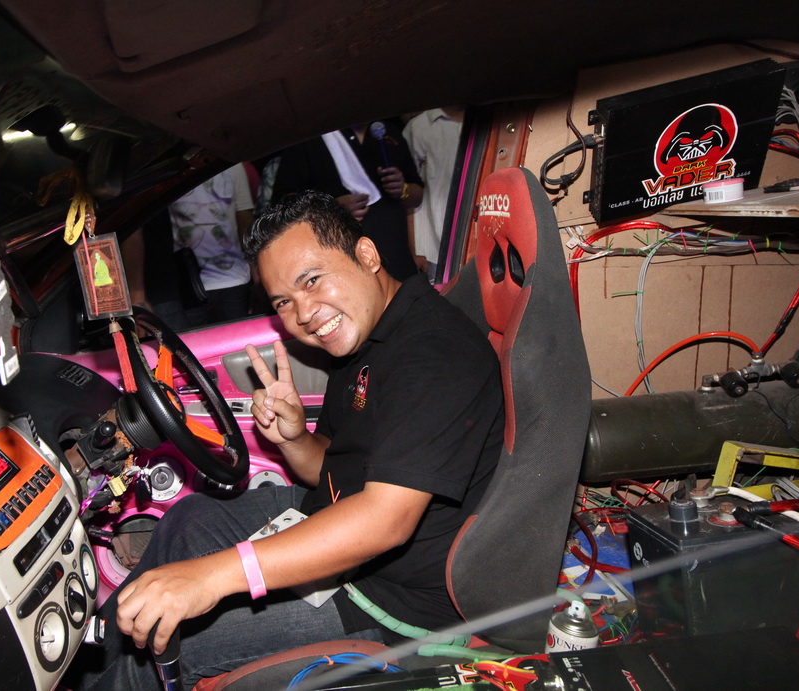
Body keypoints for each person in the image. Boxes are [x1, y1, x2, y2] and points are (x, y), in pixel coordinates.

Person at [66, 191, 502, 690]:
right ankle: (90, 665)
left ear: (366, 255)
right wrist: (294, 440)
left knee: (164, 647)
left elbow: (384, 522)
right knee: (188, 520)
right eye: (283, 303)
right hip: (335, 521)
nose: (304, 314)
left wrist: (212, 578)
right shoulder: (366, 334)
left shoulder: (434, 354)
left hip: (390, 597)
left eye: (311, 281)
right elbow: (334, 469)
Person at [272, 122, 425, 282]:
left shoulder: (385, 130)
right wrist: (332, 207)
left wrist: (403, 189)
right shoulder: (308, 139)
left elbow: (417, 196)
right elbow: (283, 203)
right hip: (345, 261)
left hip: (397, 254)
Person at [169, 163, 255, 327]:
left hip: (234, 280)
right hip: (189, 283)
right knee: (195, 342)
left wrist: (256, 270)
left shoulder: (232, 165)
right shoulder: (172, 168)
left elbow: (244, 217)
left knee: (237, 341)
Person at [403, 107, 465, 281]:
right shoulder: (419, 127)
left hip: (481, 239)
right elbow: (409, 196)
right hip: (434, 249)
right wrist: (415, 250)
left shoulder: (491, 118)